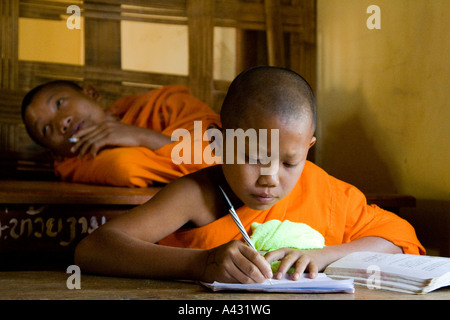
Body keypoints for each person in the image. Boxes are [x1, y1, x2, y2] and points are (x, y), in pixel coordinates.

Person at [74, 66, 424, 284]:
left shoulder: (321, 187)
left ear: (308, 148)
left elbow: (398, 236)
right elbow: (96, 249)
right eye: (253, 157)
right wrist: (201, 263)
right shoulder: (199, 194)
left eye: (289, 163)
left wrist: (326, 255)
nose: (270, 178)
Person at [21, 81, 221, 187]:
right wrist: (144, 139)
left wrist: (138, 135)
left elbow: (221, 155)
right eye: (46, 129)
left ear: (91, 93)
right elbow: (124, 167)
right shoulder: (77, 165)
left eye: (59, 104)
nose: (61, 122)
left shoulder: (161, 104)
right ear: (56, 154)